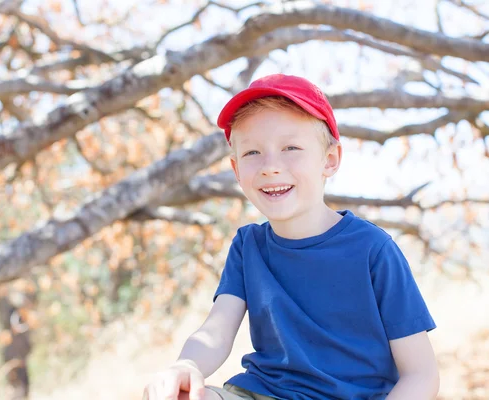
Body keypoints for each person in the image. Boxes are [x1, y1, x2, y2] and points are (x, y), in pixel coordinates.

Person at [142, 74, 439, 400]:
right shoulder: (248, 246)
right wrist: (187, 365)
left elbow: (421, 375)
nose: (270, 166)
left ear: (329, 160)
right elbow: (216, 331)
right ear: (237, 170)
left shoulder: (373, 250)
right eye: (252, 152)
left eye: (291, 148)